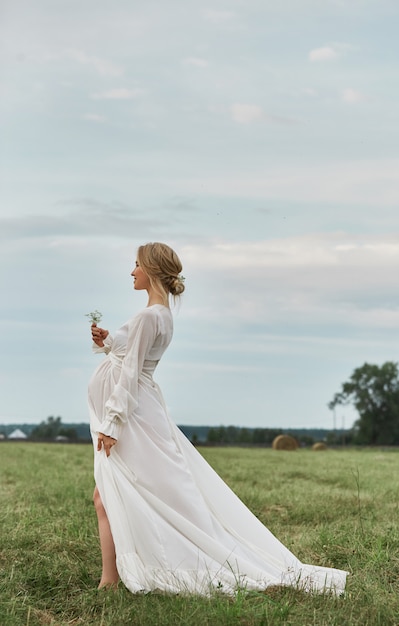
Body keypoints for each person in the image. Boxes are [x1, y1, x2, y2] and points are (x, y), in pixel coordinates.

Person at [88, 242, 348, 595]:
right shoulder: (160, 314)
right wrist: (108, 341)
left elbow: (132, 371)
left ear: (150, 270)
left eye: (136, 265)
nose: (131, 271)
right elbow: (130, 350)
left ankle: (114, 579)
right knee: (113, 493)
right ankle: (112, 578)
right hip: (141, 413)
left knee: (114, 493)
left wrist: (112, 423)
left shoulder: (150, 316)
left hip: (133, 418)